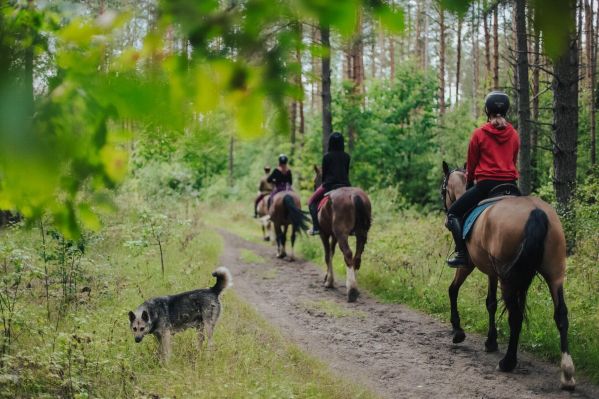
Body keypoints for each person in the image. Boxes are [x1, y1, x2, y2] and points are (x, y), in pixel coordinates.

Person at [445, 91, 520, 267]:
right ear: (507, 110)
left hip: (487, 186)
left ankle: (462, 254)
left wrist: (470, 181)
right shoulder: (514, 134)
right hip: (511, 186)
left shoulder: (479, 134)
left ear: (488, 110)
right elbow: (513, 160)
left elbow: (471, 165)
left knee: (453, 213)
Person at [308, 132, 351, 235]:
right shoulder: (347, 156)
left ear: (330, 143)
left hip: (329, 185)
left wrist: (324, 183)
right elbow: (346, 172)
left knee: (311, 202)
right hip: (345, 185)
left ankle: (316, 227)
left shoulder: (327, 157)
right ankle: (353, 228)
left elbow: (324, 175)